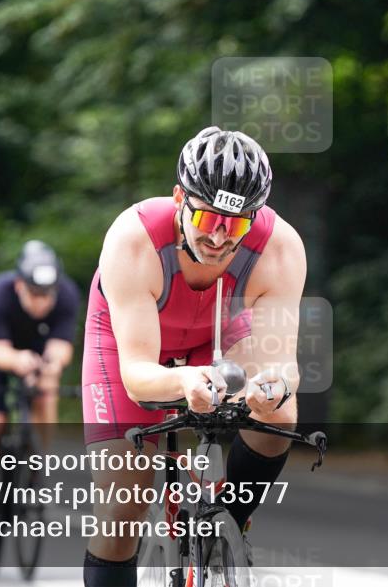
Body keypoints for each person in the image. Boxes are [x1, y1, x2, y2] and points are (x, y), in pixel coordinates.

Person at [81, 126, 306, 586]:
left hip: (219, 331)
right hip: (134, 340)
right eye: (207, 220)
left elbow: (283, 365)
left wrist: (274, 387)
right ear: (179, 198)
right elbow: (139, 376)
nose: (221, 238)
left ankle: (233, 520)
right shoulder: (134, 238)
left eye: (237, 223)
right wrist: (183, 382)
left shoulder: (280, 248)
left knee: (280, 411)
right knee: (121, 511)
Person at [0, 240, 81, 487]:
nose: (41, 303)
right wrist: (19, 360)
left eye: (47, 295)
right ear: (19, 285)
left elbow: (61, 348)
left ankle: (40, 463)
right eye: (34, 294)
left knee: (47, 391)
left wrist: (50, 366)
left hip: (37, 351)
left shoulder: (67, 294)